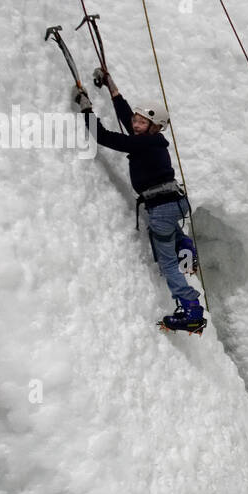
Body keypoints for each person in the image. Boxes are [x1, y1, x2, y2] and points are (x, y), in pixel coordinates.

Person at [73, 71, 204, 333]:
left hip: (162, 208)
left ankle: (191, 311)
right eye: (136, 119)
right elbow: (125, 118)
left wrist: (86, 108)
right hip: (176, 201)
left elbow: (106, 137)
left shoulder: (143, 144)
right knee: (169, 232)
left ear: (154, 127)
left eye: (141, 122)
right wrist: (113, 89)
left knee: (167, 263)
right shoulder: (153, 141)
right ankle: (186, 250)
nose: (135, 124)